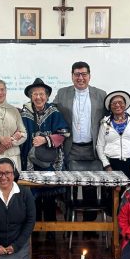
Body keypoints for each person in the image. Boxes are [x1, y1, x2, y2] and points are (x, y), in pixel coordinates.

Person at [53, 61, 106, 224]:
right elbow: (52, 113)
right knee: (70, 187)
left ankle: (90, 226)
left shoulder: (101, 94)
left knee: (91, 186)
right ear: (72, 76)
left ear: (89, 76)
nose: (80, 78)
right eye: (77, 74)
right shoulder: (62, 93)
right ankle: (71, 224)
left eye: (84, 74)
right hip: (71, 147)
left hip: (92, 148)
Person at [20, 78, 69, 226]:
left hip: (50, 162)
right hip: (30, 162)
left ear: (47, 96)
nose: (38, 97)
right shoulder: (24, 113)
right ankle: (33, 232)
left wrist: (45, 139)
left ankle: (50, 232)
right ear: (30, 96)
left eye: (41, 94)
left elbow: (64, 134)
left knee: (49, 199)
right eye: (35, 94)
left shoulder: (54, 112)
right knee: (31, 199)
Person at [96, 90, 130, 184]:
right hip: (112, 163)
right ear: (110, 107)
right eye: (114, 103)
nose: (117, 105)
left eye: (120, 102)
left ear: (125, 105)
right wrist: (106, 165)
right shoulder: (104, 123)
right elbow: (99, 146)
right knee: (113, 194)